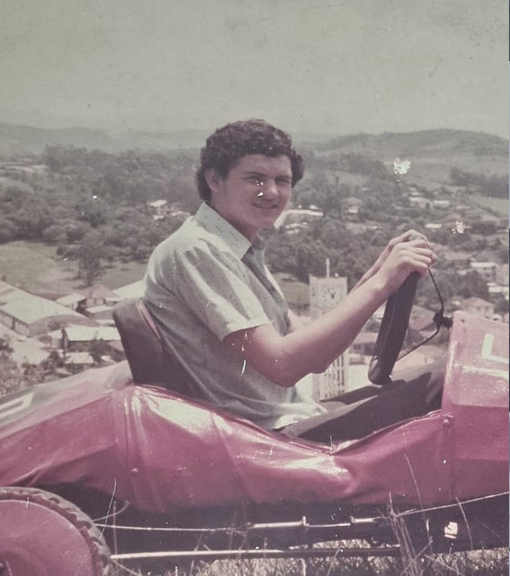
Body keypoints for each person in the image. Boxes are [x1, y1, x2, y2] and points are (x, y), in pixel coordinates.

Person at [143, 119, 438, 442]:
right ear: (214, 179)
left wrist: (380, 271)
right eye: (255, 178)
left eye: (281, 181)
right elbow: (283, 366)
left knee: (441, 376)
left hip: (288, 419)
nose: (270, 192)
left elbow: (318, 356)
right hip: (265, 436)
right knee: (442, 383)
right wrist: (382, 282)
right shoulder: (197, 250)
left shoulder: (236, 248)